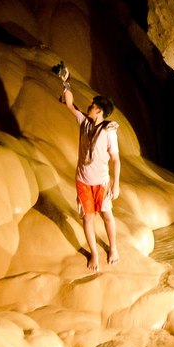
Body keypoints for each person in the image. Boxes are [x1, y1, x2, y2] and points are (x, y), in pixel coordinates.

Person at [63, 88, 121, 271]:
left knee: (106, 215)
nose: (89, 107)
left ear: (99, 111)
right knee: (88, 218)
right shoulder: (84, 122)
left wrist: (116, 184)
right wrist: (66, 86)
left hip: (101, 182)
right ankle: (94, 254)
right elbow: (70, 104)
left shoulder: (109, 132)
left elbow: (115, 159)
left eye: (92, 106)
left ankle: (113, 248)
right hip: (83, 181)